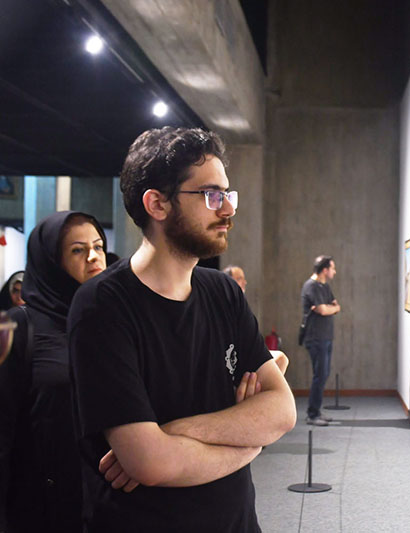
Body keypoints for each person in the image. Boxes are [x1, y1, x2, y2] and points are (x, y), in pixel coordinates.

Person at [68, 127, 295, 533]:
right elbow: (151, 463)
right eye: (211, 195)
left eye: (227, 194)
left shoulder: (224, 292)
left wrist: (176, 432)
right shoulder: (102, 306)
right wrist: (251, 437)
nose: (228, 209)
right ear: (157, 204)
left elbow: (282, 412)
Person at [0, 211, 107, 533]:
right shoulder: (19, 326)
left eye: (98, 246)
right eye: (77, 250)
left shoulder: (111, 323)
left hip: (107, 504)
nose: (93, 257)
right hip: (39, 508)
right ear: (51, 261)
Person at [223, 264, 289, 374]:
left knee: (281, 359)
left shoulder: (240, 303)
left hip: (245, 351)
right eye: (239, 279)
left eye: (244, 279)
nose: (244, 282)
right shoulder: (224, 303)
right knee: (279, 359)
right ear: (227, 281)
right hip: (232, 352)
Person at [300, 255, 340, 426]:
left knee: (323, 374)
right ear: (325, 270)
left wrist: (329, 308)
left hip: (326, 337)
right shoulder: (311, 286)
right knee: (320, 375)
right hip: (315, 337)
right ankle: (312, 414)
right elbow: (324, 310)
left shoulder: (325, 286)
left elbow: (336, 306)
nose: (334, 272)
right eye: (332, 268)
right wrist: (328, 308)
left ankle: (316, 411)